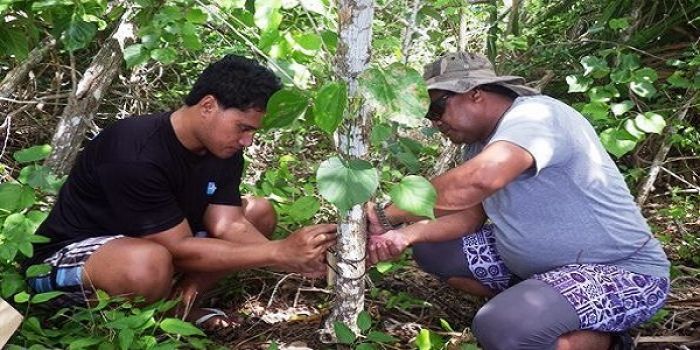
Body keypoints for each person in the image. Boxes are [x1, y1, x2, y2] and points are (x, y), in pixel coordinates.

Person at [366, 52, 670, 350]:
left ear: (475, 94)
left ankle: (605, 340)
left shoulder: (537, 115)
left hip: (623, 272)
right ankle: (539, 309)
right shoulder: (476, 146)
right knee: (434, 250)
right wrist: (406, 234)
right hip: (542, 270)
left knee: (499, 329)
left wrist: (386, 214)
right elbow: (468, 217)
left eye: (437, 108)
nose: (435, 122)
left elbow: (481, 178)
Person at [24, 55, 336, 329]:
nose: (248, 141)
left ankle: (179, 306)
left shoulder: (222, 149)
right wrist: (276, 252)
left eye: (253, 131)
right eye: (243, 127)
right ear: (208, 106)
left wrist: (293, 258)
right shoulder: (134, 149)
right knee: (148, 263)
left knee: (258, 213)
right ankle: (133, 315)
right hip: (69, 258)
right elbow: (178, 247)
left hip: (158, 244)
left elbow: (229, 224)